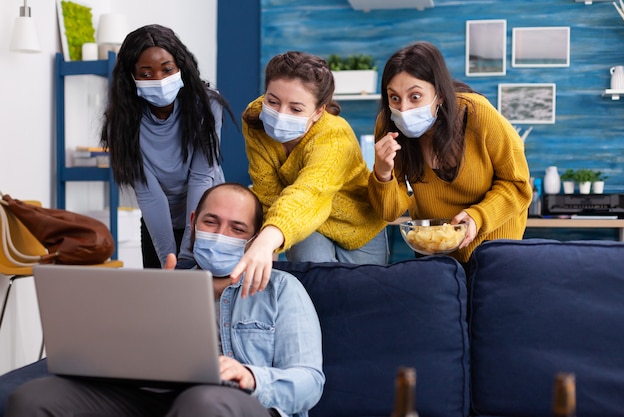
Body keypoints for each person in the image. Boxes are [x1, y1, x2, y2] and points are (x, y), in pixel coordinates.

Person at [6, 183, 325, 417]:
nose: (220, 234)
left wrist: (251, 376)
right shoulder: (167, 283)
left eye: (237, 228)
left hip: (243, 403)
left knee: (202, 402)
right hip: (156, 398)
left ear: (253, 239)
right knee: (35, 397)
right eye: (211, 222)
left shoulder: (282, 289)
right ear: (193, 223)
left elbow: (309, 383)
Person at [231, 51, 389, 292]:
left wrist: (266, 239)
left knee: (361, 299)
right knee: (317, 291)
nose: (280, 114)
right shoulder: (255, 120)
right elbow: (267, 188)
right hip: (303, 222)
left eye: (295, 109)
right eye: (273, 101)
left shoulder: (334, 137)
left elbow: (311, 192)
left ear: (318, 112)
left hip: (358, 226)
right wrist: (268, 242)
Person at [368, 41, 532, 264]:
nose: (403, 110)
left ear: (441, 95)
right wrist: (383, 172)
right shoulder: (387, 125)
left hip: (494, 245)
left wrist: (477, 217)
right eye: (394, 97)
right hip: (434, 250)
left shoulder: (479, 115)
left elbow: (517, 184)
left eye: (415, 97)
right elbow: (390, 213)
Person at [100, 24, 233, 269]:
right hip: (159, 224)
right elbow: (150, 195)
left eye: (167, 69)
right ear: (131, 76)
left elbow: (201, 178)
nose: (159, 80)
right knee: (160, 300)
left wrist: (187, 255)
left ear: (180, 66)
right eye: (146, 73)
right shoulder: (121, 123)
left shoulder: (207, 104)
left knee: (208, 302)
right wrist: (169, 261)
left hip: (210, 218)